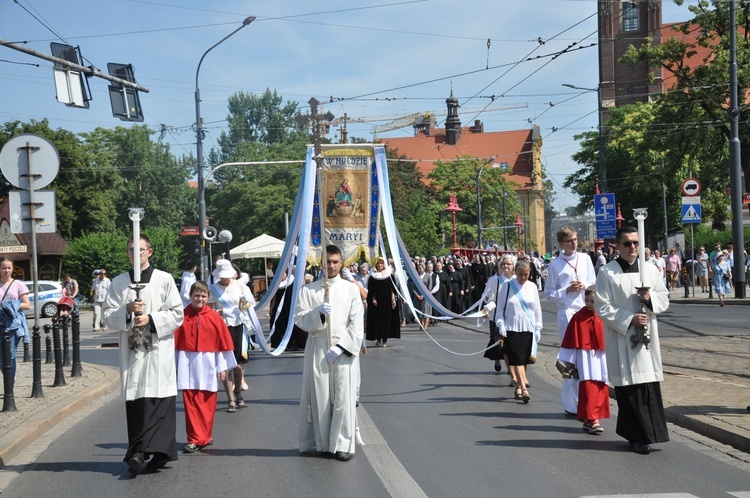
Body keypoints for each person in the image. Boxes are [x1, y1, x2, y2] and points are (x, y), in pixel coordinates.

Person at [103, 235, 184, 474]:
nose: (134, 254)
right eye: (130, 250)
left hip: (158, 349)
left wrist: (151, 318)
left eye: (139, 249)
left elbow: (177, 313)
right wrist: (127, 311)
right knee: (138, 398)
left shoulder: (164, 279)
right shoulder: (118, 283)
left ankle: (160, 453)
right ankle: (137, 452)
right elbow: (108, 314)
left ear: (149, 252)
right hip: (133, 353)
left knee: (159, 397)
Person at [595, 225, 670, 455]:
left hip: (647, 339)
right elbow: (602, 306)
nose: (633, 247)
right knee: (629, 388)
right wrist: (629, 318)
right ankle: (636, 436)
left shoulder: (650, 270)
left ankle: (651, 433)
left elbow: (664, 297)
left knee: (647, 384)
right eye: (627, 243)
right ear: (617, 246)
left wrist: (649, 300)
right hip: (622, 337)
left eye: (636, 243)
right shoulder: (608, 272)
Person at [294, 245, 364, 461]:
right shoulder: (308, 290)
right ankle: (324, 441)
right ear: (321, 264)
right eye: (328, 262)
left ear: (341, 263)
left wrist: (342, 346)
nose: (331, 266)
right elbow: (300, 320)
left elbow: (357, 322)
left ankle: (343, 443)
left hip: (342, 349)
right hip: (318, 347)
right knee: (321, 396)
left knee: (343, 397)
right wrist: (318, 313)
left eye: (335, 261)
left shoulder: (351, 289)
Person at [175, 281, 237, 453]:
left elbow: (222, 345)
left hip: (209, 362)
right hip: (187, 361)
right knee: (191, 401)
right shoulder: (182, 315)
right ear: (190, 296)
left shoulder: (214, 317)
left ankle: (205, 435)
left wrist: (222, 367)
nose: (200, 299)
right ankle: (194, 439)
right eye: (196, 295)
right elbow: (175, 344)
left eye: (203, 296)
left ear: (207, 297)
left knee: (208, 401)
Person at [544, 227, 596, 414]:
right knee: (571, 358)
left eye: (575, 239)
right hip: (567, 313)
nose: (574, 243)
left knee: (587, 356)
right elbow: (549, 294)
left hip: (585, 310)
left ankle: (587, 399)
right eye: (570, 241)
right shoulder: (555, 264)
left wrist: (585, 287)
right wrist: (566, 290)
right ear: (561, 244)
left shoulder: (586, 259)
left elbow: (593, 283)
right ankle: (571, 404)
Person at [557, 286, 609, 435]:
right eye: (586, 300)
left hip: (601, 356)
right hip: (585, 357)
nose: (589, 304)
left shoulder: (604, 315)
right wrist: (569, 362)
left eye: (592, 301)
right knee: (587, 387)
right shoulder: (578, 317)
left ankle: (592, 418)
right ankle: (592, 419)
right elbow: (570, 340)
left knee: (600, 385)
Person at [208, 259, 255, 413]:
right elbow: (207, 312)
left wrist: (245, 304)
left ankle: (238, 392)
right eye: (222, 276)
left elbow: (250, 305)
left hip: (238, 326)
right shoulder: (213, 289)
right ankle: (231, 399)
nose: (224, 278)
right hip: (221, 329)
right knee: (225, 366)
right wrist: (222, 312)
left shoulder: (240, 286)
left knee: (238, 365)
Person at [495, 260, 542, 404]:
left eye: (526, 275)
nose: (523, 277)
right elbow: (500, 308)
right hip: (511, 328)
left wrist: (538, 327)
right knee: (517, 360)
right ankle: (524, 388)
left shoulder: (533, 286)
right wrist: (500, 324)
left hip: (527, 327)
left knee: (524, 360)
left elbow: (537, 308)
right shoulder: (507, 286)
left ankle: (519, 389)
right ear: (515, 272)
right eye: (520, 274)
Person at [481, 254, 515, 375]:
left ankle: (512, 369)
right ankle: (498, 360)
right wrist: (488, 305)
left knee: (510, 343)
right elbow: (488, 296)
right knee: (497, 341)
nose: (505, 266)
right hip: (497, 316)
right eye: (503, 264)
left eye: (508, 264)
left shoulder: (516, 280)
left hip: (511, 317)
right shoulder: (494, 280)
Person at [0, 257, 30, 385]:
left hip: (13, 325)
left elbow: (27, 305)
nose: (6, 270)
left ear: (12, 269)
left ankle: (9, 386)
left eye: (8, 268)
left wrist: (10, 304)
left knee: (10, 355)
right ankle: (10, 377)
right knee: (1, 359)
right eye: (3, 268)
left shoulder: (18, 284)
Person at [365, 257, 400, 347]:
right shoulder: (373, 276)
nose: (380, 265)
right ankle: (378, 339)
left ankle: (385, 340)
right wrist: (372, 299)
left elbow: (392, 289)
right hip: (376, 302)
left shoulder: (389, 275)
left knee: (386, 320)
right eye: (378, 263)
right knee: (377, 320)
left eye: (381, 263)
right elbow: (370, 290)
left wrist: (393, 299)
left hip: (387, 301)